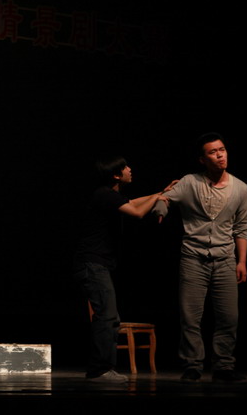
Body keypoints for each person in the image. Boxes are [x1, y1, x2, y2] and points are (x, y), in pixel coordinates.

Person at [152, 133, 247, 383]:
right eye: (212, 152)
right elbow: (165, 196)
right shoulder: (190, 182)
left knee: (229, 317)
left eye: (222, 150)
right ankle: (192, 365)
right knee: (190, 316)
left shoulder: (240, 188)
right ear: (202, 159)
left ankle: (224, 367)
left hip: (225, 259)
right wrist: (161, 208)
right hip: (193, 258)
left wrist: (241, 261)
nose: (220, 155)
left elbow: (242, 227)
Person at [73, 157, 177, 383]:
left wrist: (160, 193)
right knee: (107, 316)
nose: (130, 169)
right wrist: (157, 197)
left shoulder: (110, 195)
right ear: (116, 175)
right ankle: (100, 370)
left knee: (109, 316)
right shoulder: (104, 194)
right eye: (125, 167)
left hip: (97, 264)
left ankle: (101, 369)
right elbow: (137, 212)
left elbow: (131, 202)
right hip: (93, 263)